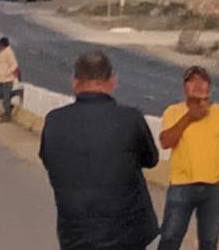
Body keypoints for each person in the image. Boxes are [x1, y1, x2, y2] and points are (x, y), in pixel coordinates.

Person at [40, 51, 159, 250]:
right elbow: (150, 159)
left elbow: (48, 159)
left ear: (75, 82)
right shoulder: (130, 119)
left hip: (75, 236)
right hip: (126, 236)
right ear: (112, 82)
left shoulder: (54, 121)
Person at [157, 66, 219, 250]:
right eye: (192, 81)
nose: (198, 85)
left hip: (213, 189)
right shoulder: (174, 111)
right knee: (170, 237)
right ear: (184, 87)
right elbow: (165, 142)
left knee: (209, 242)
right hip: (181, 185)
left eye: (203, 81)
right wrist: (189, 118)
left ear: (209, 87)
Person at [0, 37, 18, 123]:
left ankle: (7, 116)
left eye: (0, 45)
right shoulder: (3, 52)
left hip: (7, 80)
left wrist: (6, 73)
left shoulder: (9, 53)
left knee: (5, 99)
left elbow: (14, 65)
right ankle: (9, 107)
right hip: (1, 79)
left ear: (3, 45)